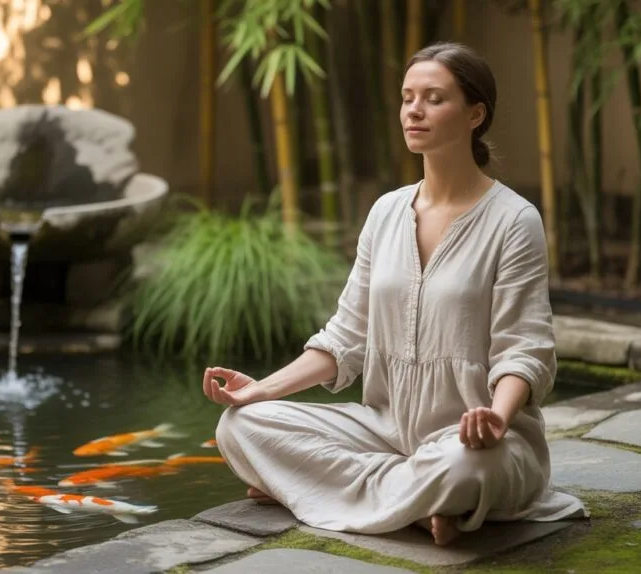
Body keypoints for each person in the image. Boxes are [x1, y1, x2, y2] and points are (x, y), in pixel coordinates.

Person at [202, 41, 588, 547]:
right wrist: (260, 390)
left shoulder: (514, 220)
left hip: (476, 440)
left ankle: (333, 492)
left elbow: (525, 348)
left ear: (476, 114)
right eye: (408, 97)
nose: (414, 110)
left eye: (434, 98)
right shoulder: (386, 212)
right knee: (240, 426)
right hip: (385, 432)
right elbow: (345, 337)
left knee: (462, 467)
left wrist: (496, 416)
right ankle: (421, 507)